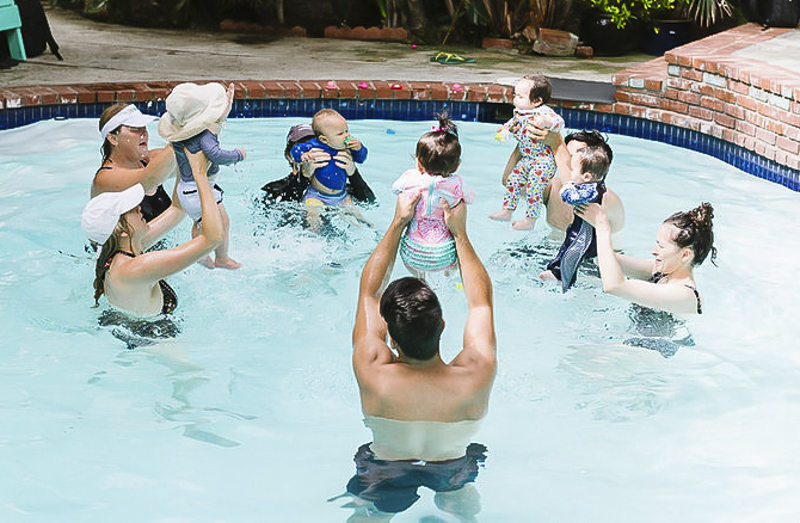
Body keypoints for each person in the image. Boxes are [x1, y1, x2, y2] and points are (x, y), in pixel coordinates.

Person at [347, 192, 496, 516]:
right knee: (460, 500)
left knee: (373, 511)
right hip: (451, 466)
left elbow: (368, 293)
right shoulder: (476, 372)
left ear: (391, 337)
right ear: (442, 325)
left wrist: (399, 222)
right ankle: (458, 503)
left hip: (385, 467)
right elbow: (481, 303)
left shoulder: (372, 369)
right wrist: (459, 234)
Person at [81, 149, 222, 319]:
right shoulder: (134, 268)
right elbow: (212, 238)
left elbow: (177, 210)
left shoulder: (122, 250)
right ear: (121, 231)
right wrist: (200, 176)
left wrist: (186, 161)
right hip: (154, 343)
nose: (139, 207)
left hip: (141, 332)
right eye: (131, 209)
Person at [159, 82, 244, 270]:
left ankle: (203, 256)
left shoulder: (180, 135)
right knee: (221, 222)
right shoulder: (203, 137)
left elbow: (212, 126)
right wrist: (238, 155)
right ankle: (220, 257)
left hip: (187, 190)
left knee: (200, 223)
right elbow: (217, 155)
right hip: (198, 190)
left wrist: (222, 113)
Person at [576, 201, 717, 315]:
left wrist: (603, 228)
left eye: (661, 247)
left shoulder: (685, 295)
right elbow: (605, 260)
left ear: (685, 255)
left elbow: (615, 286)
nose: (653, 251)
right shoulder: (661, 272)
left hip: (652, 350)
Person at [391, 114, 474, 280]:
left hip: (413, 253)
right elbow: (470, 199)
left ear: (418, 163)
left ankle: (421, 279)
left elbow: (395, 189)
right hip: (444, 254)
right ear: (457, 166)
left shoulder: (410, 177)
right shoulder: (457, 183)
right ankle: (449, 274)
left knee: (403, 200)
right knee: (460, 205)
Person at [489, 74, 564, 231]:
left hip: (543, 160)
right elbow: (512, 124)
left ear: (537, 101)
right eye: (515, 95)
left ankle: (530, 220)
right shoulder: (520, 112)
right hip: (528, 158)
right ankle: (507, 211)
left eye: (521, 97)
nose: (516, 99)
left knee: (534, 187)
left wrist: (547, 122)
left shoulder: (543, 112)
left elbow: (559, 122)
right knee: (513, 180)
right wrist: (504, 130)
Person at [539, 143, 611, 292]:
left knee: (571, 255)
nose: (570, 174)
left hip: (584, 236)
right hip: (578, 230)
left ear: (586, 176)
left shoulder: (591, 190)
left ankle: (564, 284)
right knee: (565, 250)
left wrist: (566, 186)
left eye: (573, 170)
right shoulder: (593, 185)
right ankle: (556, 272)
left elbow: (569, 198)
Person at [92, 103, 178, 221]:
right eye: (135, 129)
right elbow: (151, 178)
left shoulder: (149, 160)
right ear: (113, 138)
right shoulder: (105, 179)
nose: (143, 133)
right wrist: (180, 135)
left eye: (144, 127)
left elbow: (188, 161)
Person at [289, 109, 368, 229]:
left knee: (358, 217)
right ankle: (313, 237)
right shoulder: (314, 146)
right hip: (317, 195)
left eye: (347, 131)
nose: (347, 135)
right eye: (340, 134)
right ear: (324, 139)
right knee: (313, 217)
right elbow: (296, 149)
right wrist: (302, 156)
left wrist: (359, 148)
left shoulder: (347, 148)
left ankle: (371, 231)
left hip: (341, 196)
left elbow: (361, 158)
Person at [261, 123, 375, 206]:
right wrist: (304, 175)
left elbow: (370, 203)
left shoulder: (338, 189)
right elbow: (278, 210)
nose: (313, 152)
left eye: (319, 147)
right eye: (306, 148)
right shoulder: (274, 188)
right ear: (290, 156)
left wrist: (353, 173)